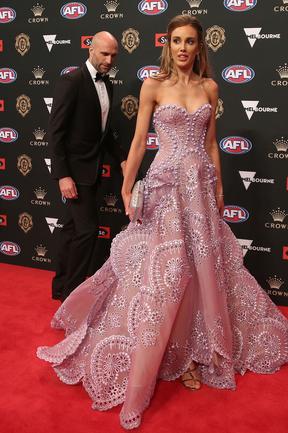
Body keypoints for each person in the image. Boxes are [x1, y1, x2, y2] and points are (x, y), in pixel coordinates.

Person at [37, 16, 288, 429]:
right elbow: (138, 141)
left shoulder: (210, 87)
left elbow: (211, 144)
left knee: (200, 269)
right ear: (167, 45)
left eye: (190, 41)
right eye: (176, 41)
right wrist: (128, 182)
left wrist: (221, 190)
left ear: (198, 47)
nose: (183, 48)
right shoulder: (154, 85)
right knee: (168, 272)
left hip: (201, 190)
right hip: (166, 186)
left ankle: (195, 351)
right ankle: (160, 352)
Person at [49, 31, 126, 302]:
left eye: (113, 55)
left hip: (92, 171)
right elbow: (56, 133)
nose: (109, 60)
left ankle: (60, 288)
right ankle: (72, 295)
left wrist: (123, 159)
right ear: (90, 50)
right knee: (86, 231)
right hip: (75, 173)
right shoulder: (72, 81)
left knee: (71, 230)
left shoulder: (109, 84)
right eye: (104, 53)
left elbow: (103, 133)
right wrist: (63, 175)